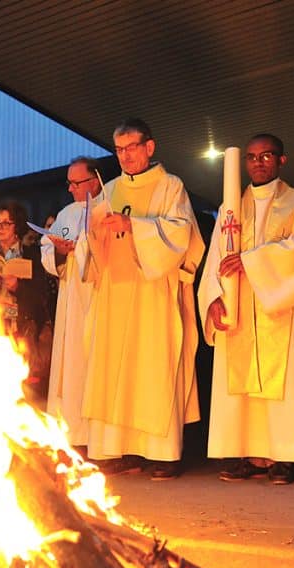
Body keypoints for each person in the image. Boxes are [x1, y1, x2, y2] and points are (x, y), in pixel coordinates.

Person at [75, 118, 204, 480]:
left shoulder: (170, 186)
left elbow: (182, 233)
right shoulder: (108, 190)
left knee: (151, 369)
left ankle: (161, 453)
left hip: (153, 292)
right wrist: (94, 233)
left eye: (132, 147)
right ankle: (116, 449)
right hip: (114, 293)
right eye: (119, 149)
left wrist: (134, 226)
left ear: (150, 147)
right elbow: (90, 243)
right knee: (112, 371)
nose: (126, 156)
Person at [199, 133, 294, 484]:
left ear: (281, 160)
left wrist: (253, 262)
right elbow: (215, 258)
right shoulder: (231, 206)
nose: (258, 162)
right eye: (252, 157)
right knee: (241, 390)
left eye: (266, 155)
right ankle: (248, 453)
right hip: (239, 306)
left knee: (284, 383)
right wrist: (212, 298)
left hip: (280, 307)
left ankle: (284, 455)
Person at [40, 158, 101, 449]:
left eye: (77, 182)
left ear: (95, 180)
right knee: (74, 363)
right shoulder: (66, 214)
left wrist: (84, 247)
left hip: (101, 296)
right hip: (73, 297)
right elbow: (47, 247)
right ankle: (74, 434)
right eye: (70, 182)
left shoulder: (108, 207)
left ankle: (100, 438)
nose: (71, 188)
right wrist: (61, 252)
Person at [0, 201, 51, 390]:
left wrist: (17, 286)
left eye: (6, 223)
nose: (0, 227)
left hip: (18, 329)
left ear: (16, 226)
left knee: (17, 385)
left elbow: (39, 297)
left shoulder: (30, 255)